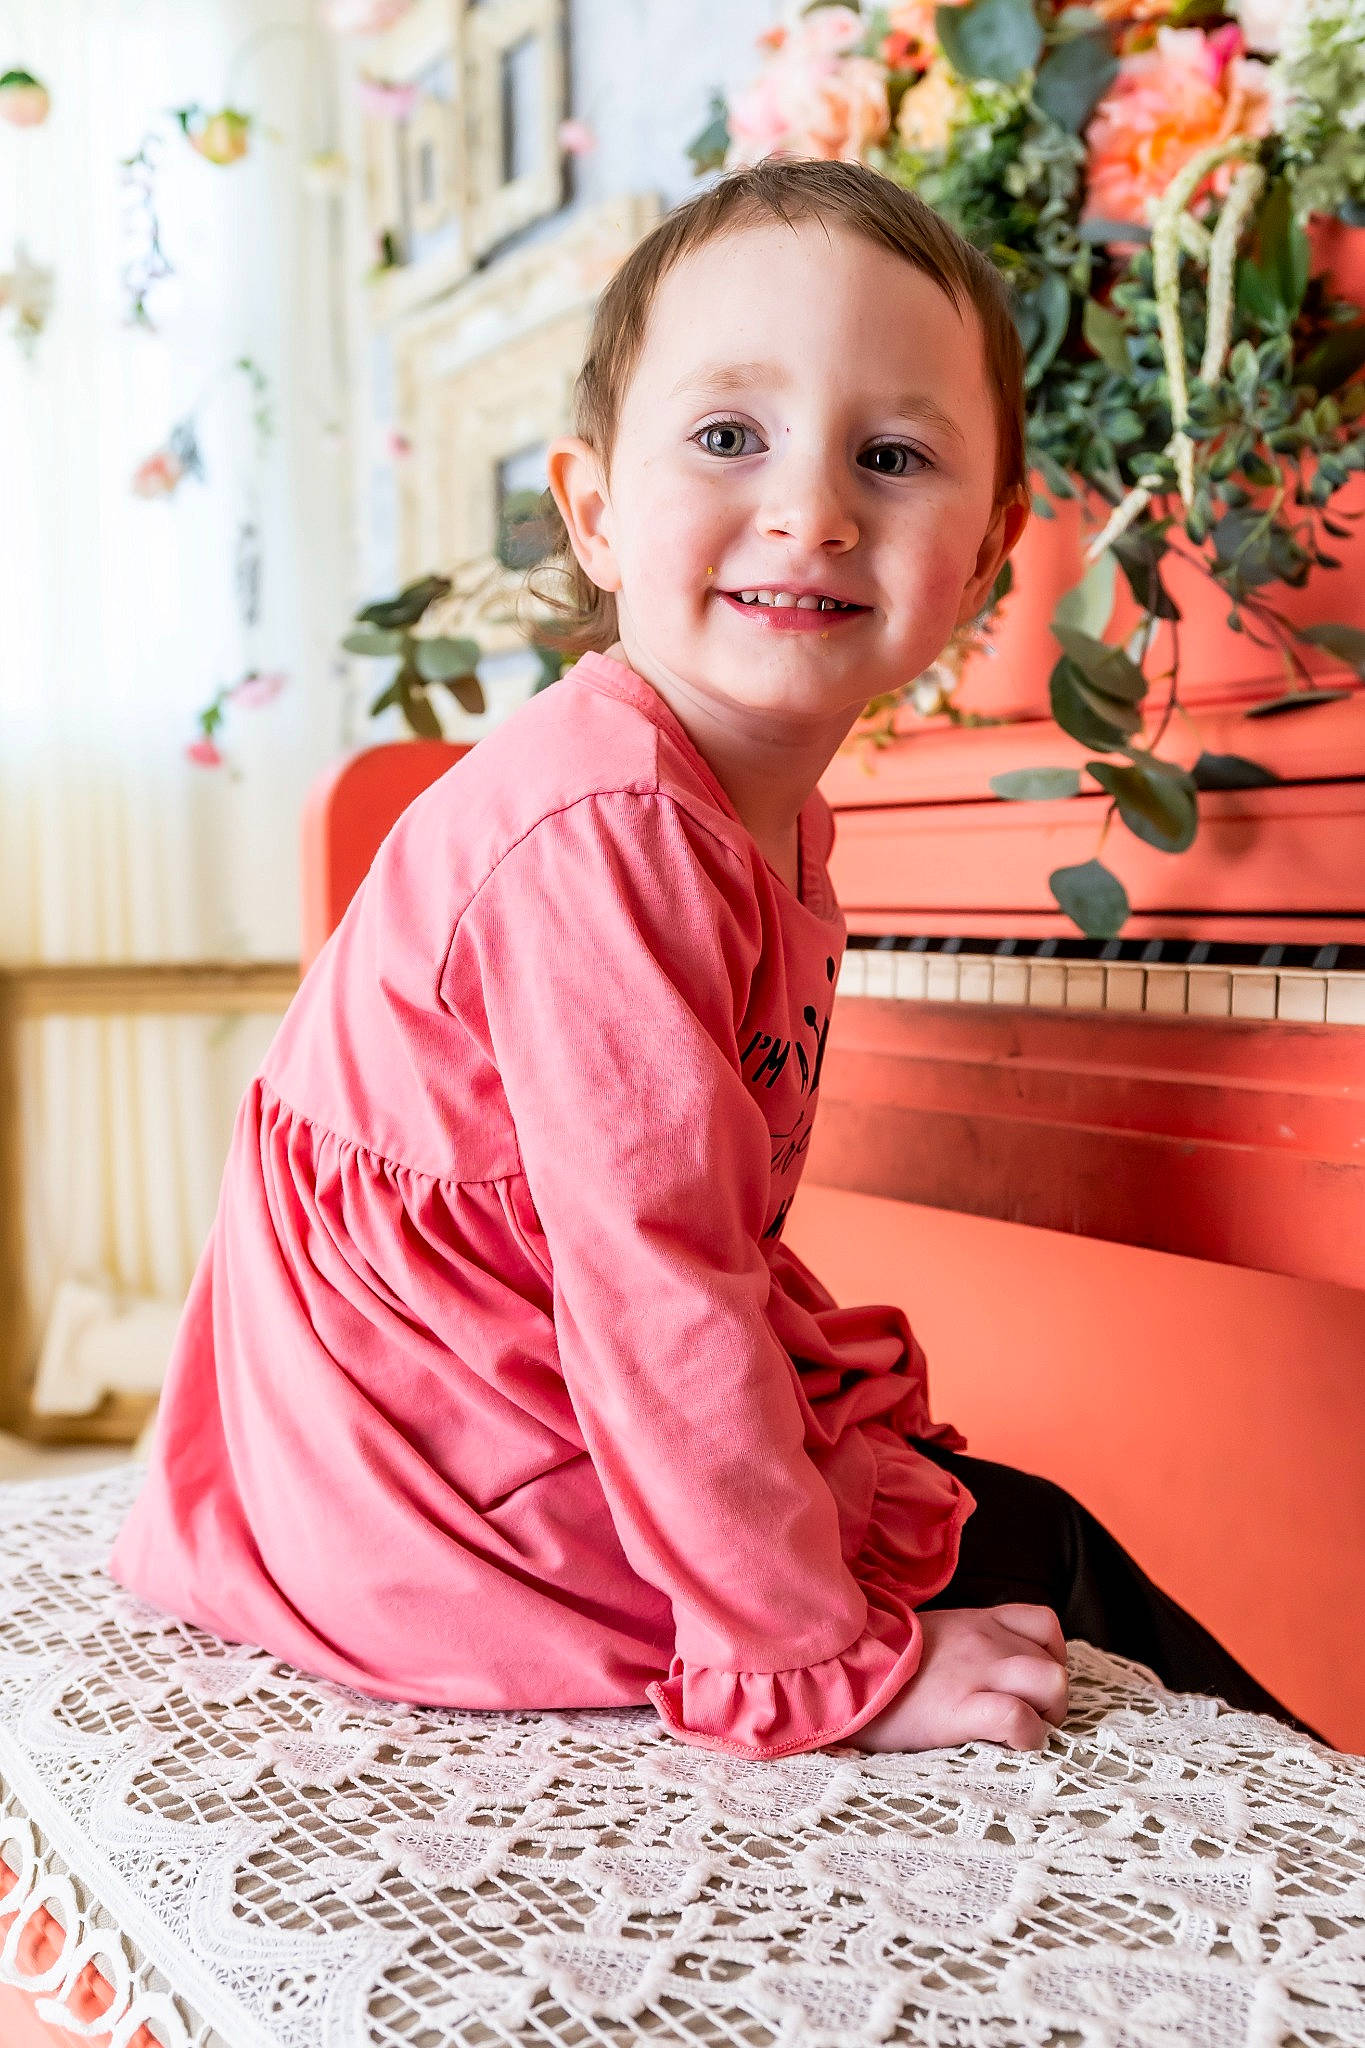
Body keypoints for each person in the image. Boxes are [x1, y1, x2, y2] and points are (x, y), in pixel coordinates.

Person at [108, 158, 1320, 1760]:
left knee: (1032, 1536)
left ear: (986, 548)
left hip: (507, 1386)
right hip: (444, 1470)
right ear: (597, 510)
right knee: (1045, 1551)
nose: (810, 508)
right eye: (729, 438)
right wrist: (820, 1664)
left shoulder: (737, 805)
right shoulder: (608, 826)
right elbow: (651, 1291)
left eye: (889, 456)